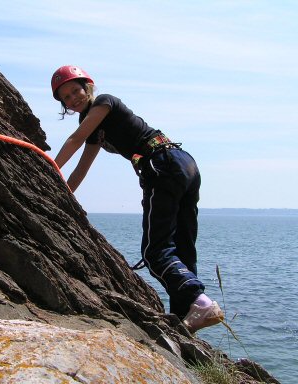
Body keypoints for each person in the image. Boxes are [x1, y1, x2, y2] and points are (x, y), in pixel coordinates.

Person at [51, 65, 224, 333]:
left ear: (88, 86)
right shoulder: (95, 127)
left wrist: (47, 167)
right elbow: (82, 168)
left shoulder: (104, 102)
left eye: (76, 90)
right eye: (67, 98)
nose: (74, 98)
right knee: (181, 248)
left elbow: (75, 139)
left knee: (155, 252)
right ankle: (184, 317)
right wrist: (62, 194)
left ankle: (201, 302)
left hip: (163, 165)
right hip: (182, 164)